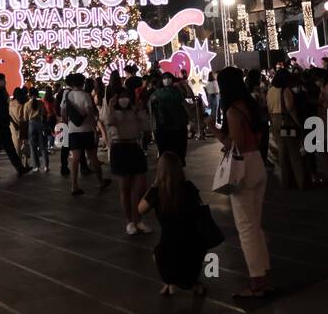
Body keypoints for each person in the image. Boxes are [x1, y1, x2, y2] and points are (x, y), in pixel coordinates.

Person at [217, 66, 271, 299]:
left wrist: (214, 130)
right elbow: (257, 136)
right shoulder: (251, 105)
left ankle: (256, 280)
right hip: (257, 162)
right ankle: (262, 270)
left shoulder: (232, 111)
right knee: (255, 223)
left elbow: (234, 144)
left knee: (246, 227)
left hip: (243, 168)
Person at [138, 151, 208, 295]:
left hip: (167, 247)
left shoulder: (157, 192)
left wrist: (153, 186)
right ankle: (194, 282)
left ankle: (169, 282)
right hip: (193, 245)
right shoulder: (189, 188)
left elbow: (140, 209)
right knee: (191, 255)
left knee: (158, 254)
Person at [105, 82, 151, 234]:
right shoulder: (112, 111)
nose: (124, 100)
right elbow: (110, 122)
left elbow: (145, 127)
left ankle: (138, 219)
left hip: (134, 147)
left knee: (139, 187)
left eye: (126, 97)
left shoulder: (134, 111)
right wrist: (110, 107)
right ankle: (129, 221)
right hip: (119, 148)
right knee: (125, 187)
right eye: (121, 97)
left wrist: (140, 110)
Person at [63, 73, 111, 197]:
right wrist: (95, 128)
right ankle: (100, 182)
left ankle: (74, 186)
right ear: (82, 83)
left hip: (73, 130)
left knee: (75, 158)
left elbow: (63, 111)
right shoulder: (85, 96)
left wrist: (67, 123)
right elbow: (90, 113)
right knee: (92, 156)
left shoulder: (67, 95)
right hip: (87, 130)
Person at [267, 69, 307, 190]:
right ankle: (301, 182)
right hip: (286, 123)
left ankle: (286, 182)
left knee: (282, 153)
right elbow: (290, 107)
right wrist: (298, 122)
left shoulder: (270, 90)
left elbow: (268, 108)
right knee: (294, 151)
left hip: (275, 122)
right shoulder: (285, 90)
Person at [0, 73, 27, 179]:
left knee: (9, 147)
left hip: (1, 123)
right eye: (4, 79)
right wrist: (8, 119)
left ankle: (20, 168)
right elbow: (1, 108)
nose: (5, 81)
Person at [149, 73, 189, 164]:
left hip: (178, 125)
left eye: (169, 78)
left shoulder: (178, 90)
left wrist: (183, 85)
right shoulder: (157, 92)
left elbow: (187, 95)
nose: (167, 80)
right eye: (164, 78)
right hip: (164, 126)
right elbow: (151, 103)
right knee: (167, 153)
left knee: (178, 151)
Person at [24, 88, 48, 171]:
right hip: (40, 123)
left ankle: (36, 166)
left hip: (31, 124)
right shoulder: (41, 103)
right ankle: (46, 166)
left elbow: (25, 117)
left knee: (32, 146)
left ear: (29, 94)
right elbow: (44, 113)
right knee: (43, 145)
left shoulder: (27, 104)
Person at [9, 87, 28, 168]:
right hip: (24, 124)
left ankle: (19, 163)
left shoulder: (11, 103)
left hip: (14, 126)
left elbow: (9, 115)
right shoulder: (24, 102)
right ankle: (26, 162)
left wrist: (14, 124)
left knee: (17, 145)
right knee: (25, 143)